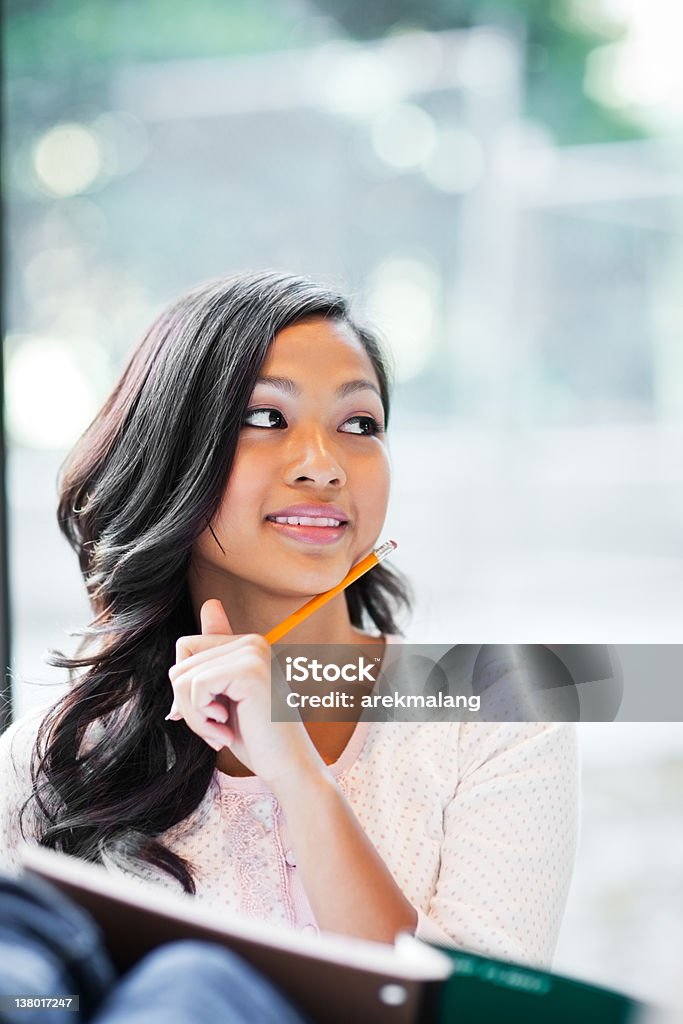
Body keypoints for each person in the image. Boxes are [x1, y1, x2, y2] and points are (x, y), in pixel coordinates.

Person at [0, 271, 578, 966]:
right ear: (173, 453)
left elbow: (474, 1016)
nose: (323, 465)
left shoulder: (501, 699)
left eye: (358, 424)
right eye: (267, 417)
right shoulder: (51, 759)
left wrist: (299, 778)